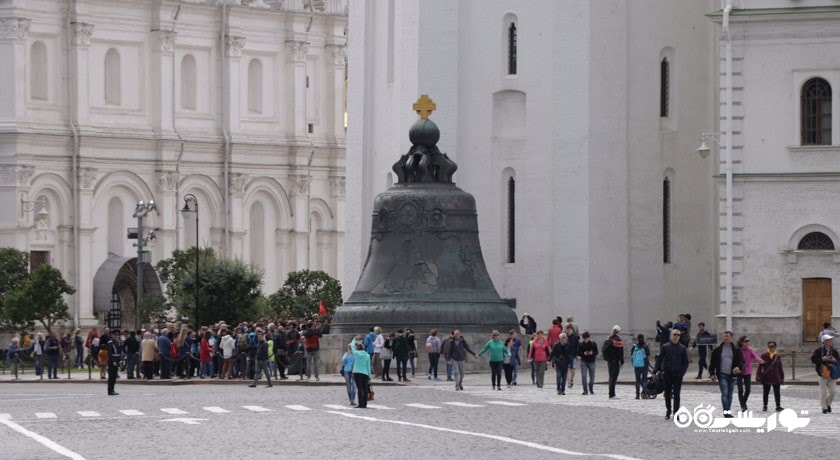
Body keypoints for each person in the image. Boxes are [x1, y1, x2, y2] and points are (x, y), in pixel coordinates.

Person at [654, 329, 688, 420]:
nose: (676, 336)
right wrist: (655, 371)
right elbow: (659, 359)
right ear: (671, 335)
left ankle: (676, 412)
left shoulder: (682, 348)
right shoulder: (665, 347)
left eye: (678, 335)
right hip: (667, 374)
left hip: (678, 374)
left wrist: (682, 372)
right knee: (667, 394)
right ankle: (668, 410)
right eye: (674, 334)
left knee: (677, 394)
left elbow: (685, 362)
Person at [708, 331, 744, 418]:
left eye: (727, 336)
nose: (725, 338)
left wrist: (738, 368)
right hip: (722, 374)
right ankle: (726, 411)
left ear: (731, 338)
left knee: (730, 394)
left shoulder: (736, 349)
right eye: (724, 336)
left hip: (732, 375)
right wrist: (712, 373)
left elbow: (741, 362)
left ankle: (728, 410)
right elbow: (712, 363)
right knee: (725, 393)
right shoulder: (717, 350)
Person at [811, 334, 839, 414]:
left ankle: (828, 403)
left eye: (830, 340)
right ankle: (824, 407)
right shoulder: (818, 350)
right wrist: (822, 359)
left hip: (832, 373)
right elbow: (813, 360)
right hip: (822, 373)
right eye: (828, 340)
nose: (830, 341)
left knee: (833, 391)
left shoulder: (834, 351)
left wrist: (834, 360)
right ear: (824, 342)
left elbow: (838, 360)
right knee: (823, 392)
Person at [736, 335, 764, 412]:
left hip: (747, 371)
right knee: (740, 389)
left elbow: (755, 356)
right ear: (741, 342)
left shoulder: (749, 350)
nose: (747, 343)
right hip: (739, 371)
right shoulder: (737, 350)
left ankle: (743, 403)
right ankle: (743, 406)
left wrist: (759, 360)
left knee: (748, 390)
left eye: (748, 341)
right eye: (745, 341)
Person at [756, 341, 784, 412]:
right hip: (766, 377)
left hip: (775, 376)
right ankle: (765, 406)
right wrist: (758, 375)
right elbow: (760, 366)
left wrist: (782, 377)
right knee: (766, 392)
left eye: (772, 346)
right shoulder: (764, 355)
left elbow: (780, 367)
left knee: (777, 393)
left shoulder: (777, 356)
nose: (771, 348)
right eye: (769, 346)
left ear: (775, 347)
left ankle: (778, 406)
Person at [602, 325, 625, 399]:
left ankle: (611, 393)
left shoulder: (609, 339)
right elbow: (620, 353)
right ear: (618, 332)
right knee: (614, 378)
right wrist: (622, 362)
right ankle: (612, 394)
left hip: (609, 361)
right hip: (615, 361)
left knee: (611, 377)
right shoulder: (618, 340)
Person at [630, 334, 650, 400]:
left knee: (637, 380)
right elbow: (648, 354)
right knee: (644, 380)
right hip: (644, 365)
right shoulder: (645, 346)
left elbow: (631, 354)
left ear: (637, 339)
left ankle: (637, 395)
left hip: (637, 365)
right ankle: (644, 394)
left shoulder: (634, 346)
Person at [352, 342, 372, 408]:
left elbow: (352, 347)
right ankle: (365, 403)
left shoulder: (356, 354)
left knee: (359, 388)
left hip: (357, 372)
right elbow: (368, 366)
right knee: (365, 388)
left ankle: (360, 403)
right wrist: (370, 377)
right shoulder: (367, 355)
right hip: (365, 373)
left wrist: (354, 340)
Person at [341, 339, 358, 406]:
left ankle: (352, 399)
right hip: (347, 371)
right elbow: (343, 361)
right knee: (348, 386)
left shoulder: (356, 354)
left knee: (354, 386)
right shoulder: (346, 354)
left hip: (354, 371)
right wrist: (347, 357)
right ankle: (350, 399)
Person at [565, 324, 579, 389]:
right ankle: (569, 382)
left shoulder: (575, 337)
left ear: (572, 330)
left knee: (573, 370)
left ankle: (571, 379)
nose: (569, 331)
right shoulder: (565, 337)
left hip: (573, 355)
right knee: (568, 369)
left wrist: (577, 354)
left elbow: (577, 346)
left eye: (570, 330)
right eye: (568, 330)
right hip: (566, 356)